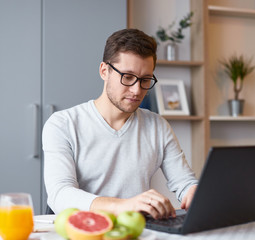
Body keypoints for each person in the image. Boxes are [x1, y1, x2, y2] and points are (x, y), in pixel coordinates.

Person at [43, 29, 198, 219]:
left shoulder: (157, 126)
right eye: (128, 77)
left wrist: (194, 192)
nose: (136, 90)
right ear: (104, 71)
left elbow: (185, 182)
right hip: (83, 232)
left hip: (135, 232)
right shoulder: (63, 124)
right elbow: (60, 194)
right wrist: (124, 205)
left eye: (145, 80)